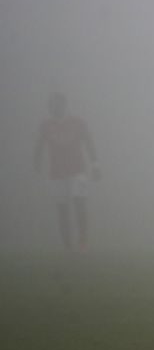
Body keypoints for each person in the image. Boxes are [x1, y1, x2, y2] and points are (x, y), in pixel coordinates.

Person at [33, 92, 100, 252]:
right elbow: (40, 146)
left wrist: (96, 165)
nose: (55, 108)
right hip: (57, 173)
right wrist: (37, 162)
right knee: (62, 209)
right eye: (52, 105)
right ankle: (67, 246)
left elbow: (89, 142)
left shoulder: (78, 123)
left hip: (78, 170)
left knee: (79, 203)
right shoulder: (46, 125)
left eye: (58, 104)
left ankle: (82, 242)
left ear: (64, 105)